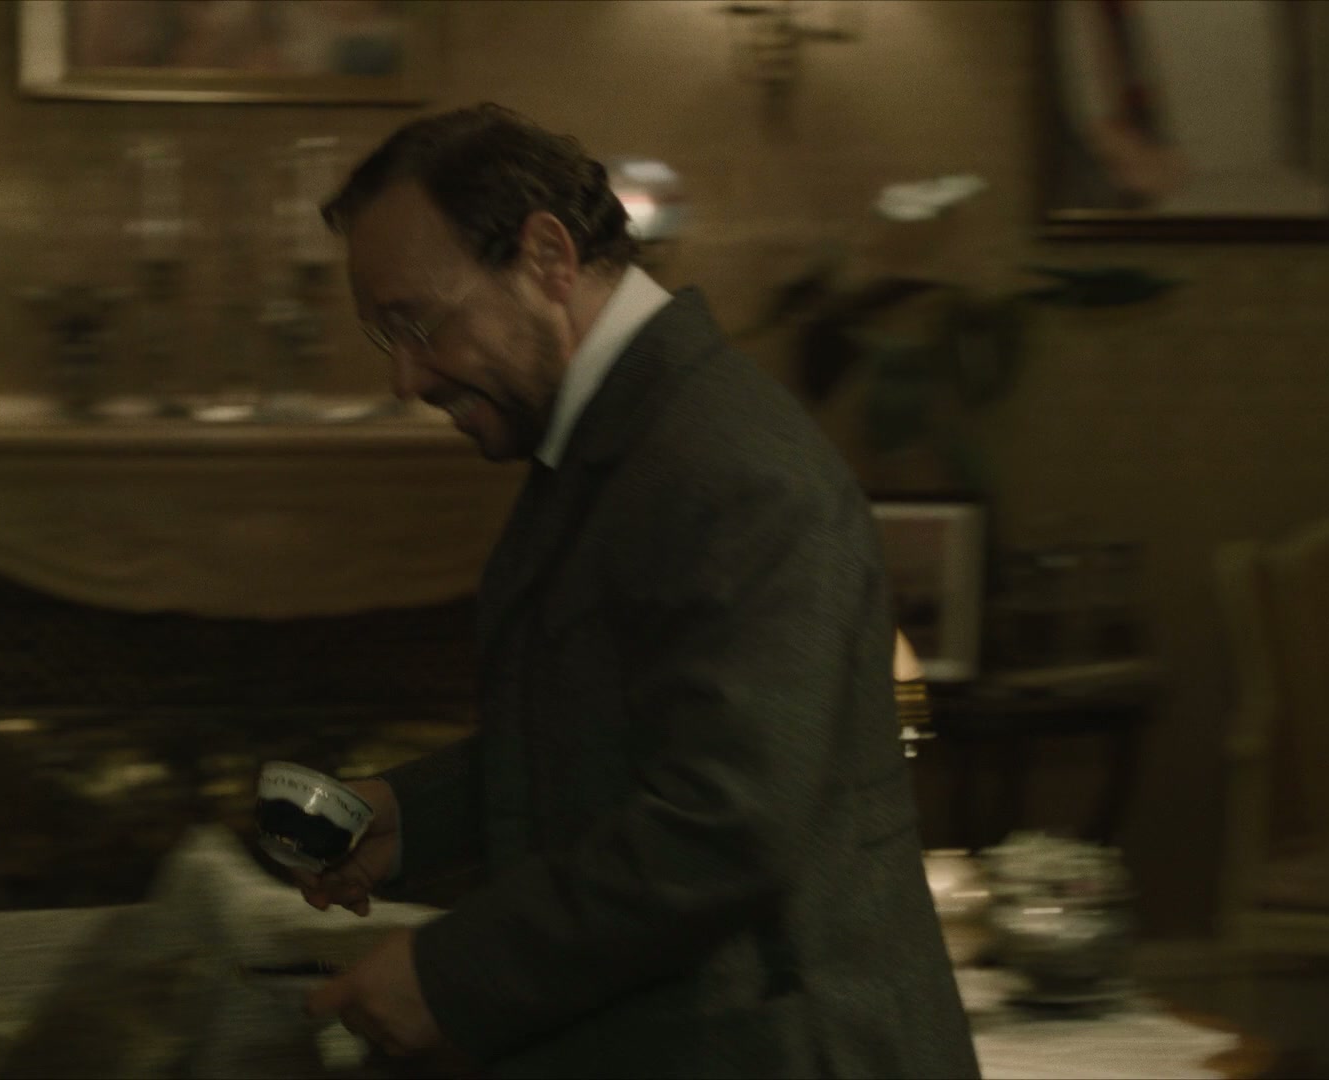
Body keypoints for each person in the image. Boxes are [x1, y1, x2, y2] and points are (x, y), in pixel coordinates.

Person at [294, 102, 980, 1079]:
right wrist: (407, 817)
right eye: (384, 340)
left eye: (418, 324)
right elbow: (612, 736)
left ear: (547, 257)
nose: (406, 378)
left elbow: (723, 825)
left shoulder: (729, 467)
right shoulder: (623, 429)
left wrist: (450, 977)